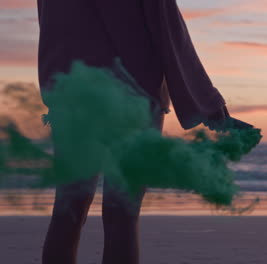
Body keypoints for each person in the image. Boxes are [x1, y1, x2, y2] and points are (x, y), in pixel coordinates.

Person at [37, 1, 240, 263]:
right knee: (121, 211)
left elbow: (54, 24)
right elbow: (168, 27)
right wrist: (206, 100)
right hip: (131, 93)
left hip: (71, 89)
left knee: (69, 207)